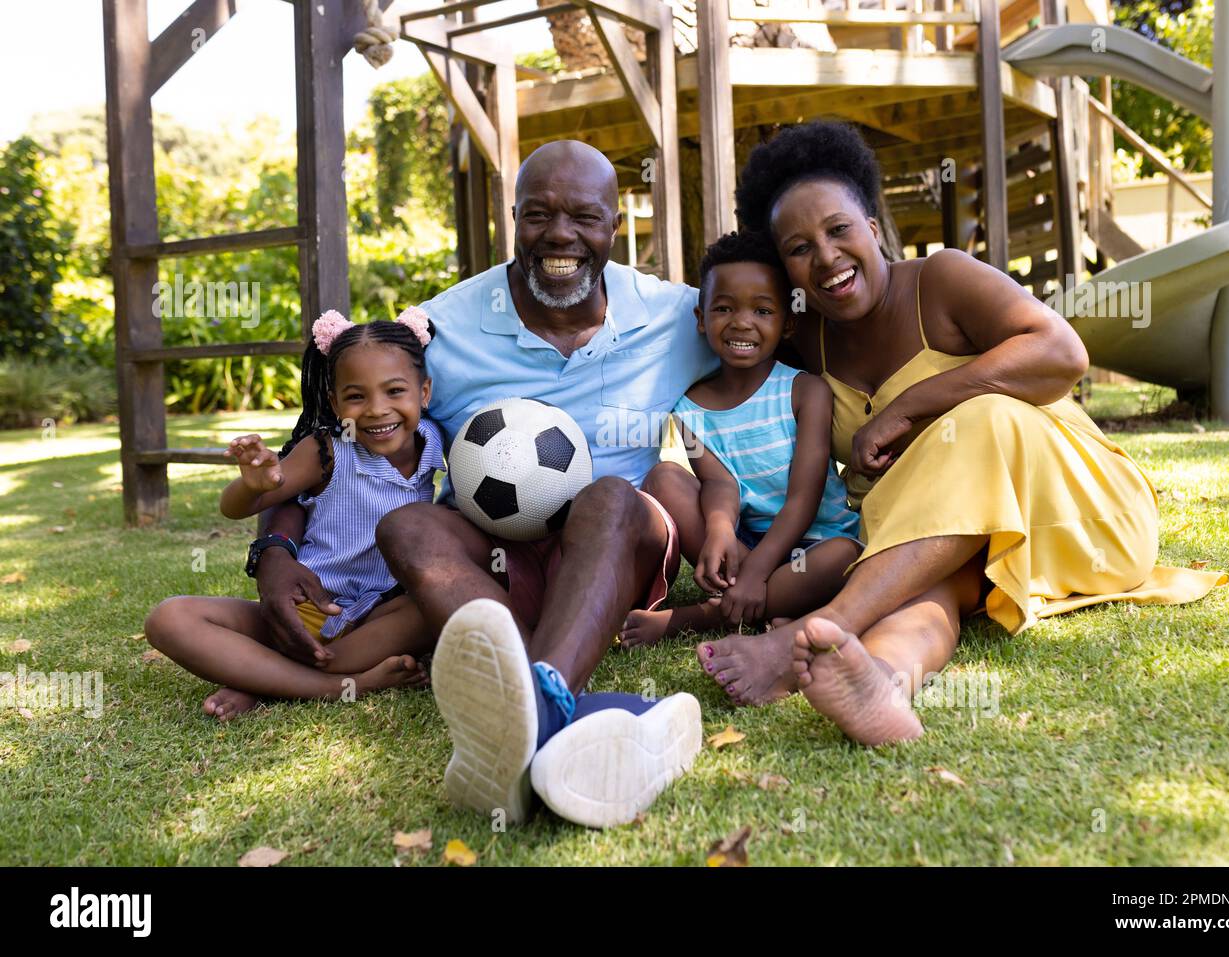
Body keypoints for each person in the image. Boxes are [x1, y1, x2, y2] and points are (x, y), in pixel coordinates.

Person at [689, 120, 1226, 738]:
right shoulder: (802, 337)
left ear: (871, 224)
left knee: (982, 415)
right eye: (799, 248)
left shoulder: (941, 280)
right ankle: (883, 683)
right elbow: (719, 344)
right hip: (937, 540)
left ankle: (814, 632)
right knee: (934, 592)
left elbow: (1062, 352)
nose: (827, 257)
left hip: (1074, 509)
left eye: (838, 230)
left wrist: (910, 406)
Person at [251, 140, 717, 827]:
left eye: (584, 217)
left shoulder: (680, 316)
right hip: (491, 561)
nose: (560, 235)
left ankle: (531, 705)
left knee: (609, 496)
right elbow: (320, 437)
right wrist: (273, 553)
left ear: (616, 227)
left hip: (617, 548)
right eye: (538, 215)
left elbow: (783, 353)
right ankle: (554, 713)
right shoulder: (443, 327)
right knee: (407, 526)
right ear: (513, 220)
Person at [143, 310, 443, 719]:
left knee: (435, 603)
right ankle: (339, 685)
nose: (377, 409)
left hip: (383, 614)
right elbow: (234, 509)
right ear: (335, 403)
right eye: (357, 396)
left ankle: (263, 677)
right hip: (306, 611)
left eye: (395, 391)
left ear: (423, 392)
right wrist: (253, 485)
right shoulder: (326, 451)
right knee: (169, 618)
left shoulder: (435, 443)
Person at [619, 229, 862, 649]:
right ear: (701, 318)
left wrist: (752, 576)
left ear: (787, 323)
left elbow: (804, 499)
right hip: (746, 543)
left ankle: (704, 615)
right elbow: (720, 484)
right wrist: (719, 531)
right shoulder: (689, 407)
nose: (742, 322)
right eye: (724, 308)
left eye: (763, 310)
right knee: (663, 479)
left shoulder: (806, 391)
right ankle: (774, 605)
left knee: (845, 557)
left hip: (816, 540)